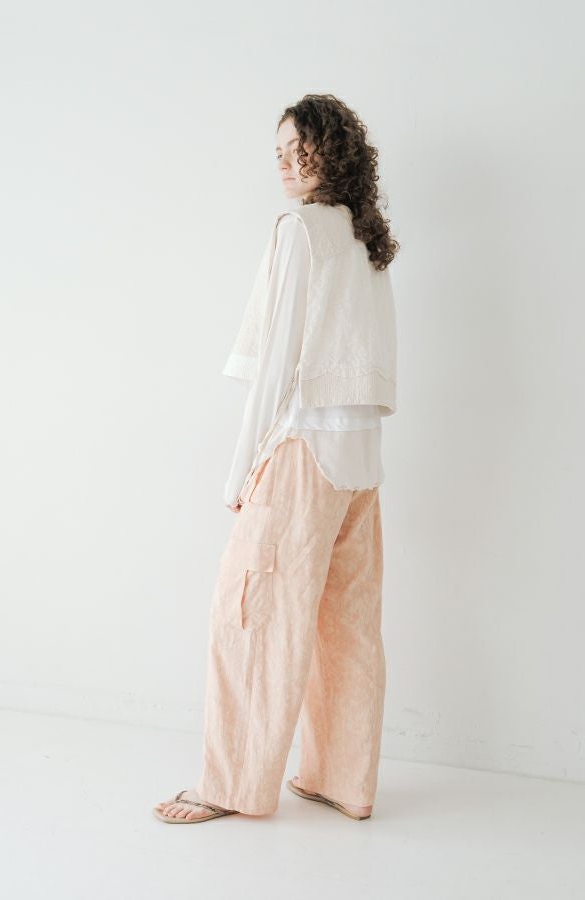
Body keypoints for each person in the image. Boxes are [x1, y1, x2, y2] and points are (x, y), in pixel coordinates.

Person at [154, 93, 399, 824]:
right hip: (361, 462)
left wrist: (239, 472)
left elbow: (278, 368)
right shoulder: (365, 236)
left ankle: (232, 787)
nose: (287, 164)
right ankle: (343, 781)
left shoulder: (300, 229)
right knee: (346, 625)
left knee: (252, 617)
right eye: (280, 152)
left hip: (302, 452)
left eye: (302, 148)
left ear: (333, 152)